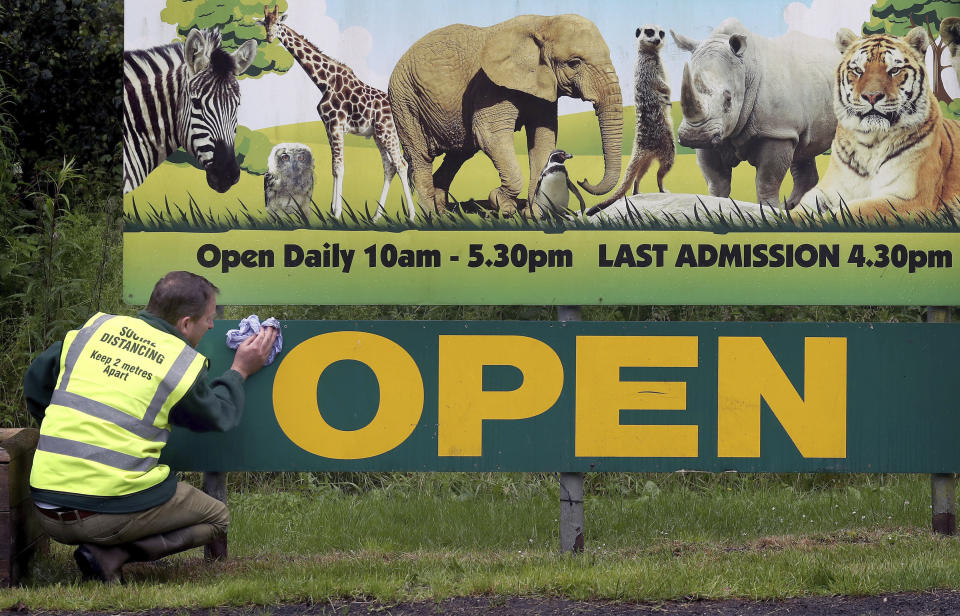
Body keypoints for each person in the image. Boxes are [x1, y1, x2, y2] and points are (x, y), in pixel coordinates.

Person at [23, 271, 278, 583]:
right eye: (209, 319)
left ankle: (104, 549)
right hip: (102, 513)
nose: (212, 325)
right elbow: (218, 415)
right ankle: (111, 556)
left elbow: (35, 385)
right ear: (186, 324)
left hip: (46, 506)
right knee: (216, 517)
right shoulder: (178, 363)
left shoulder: (97, 329)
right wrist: (240, 370)